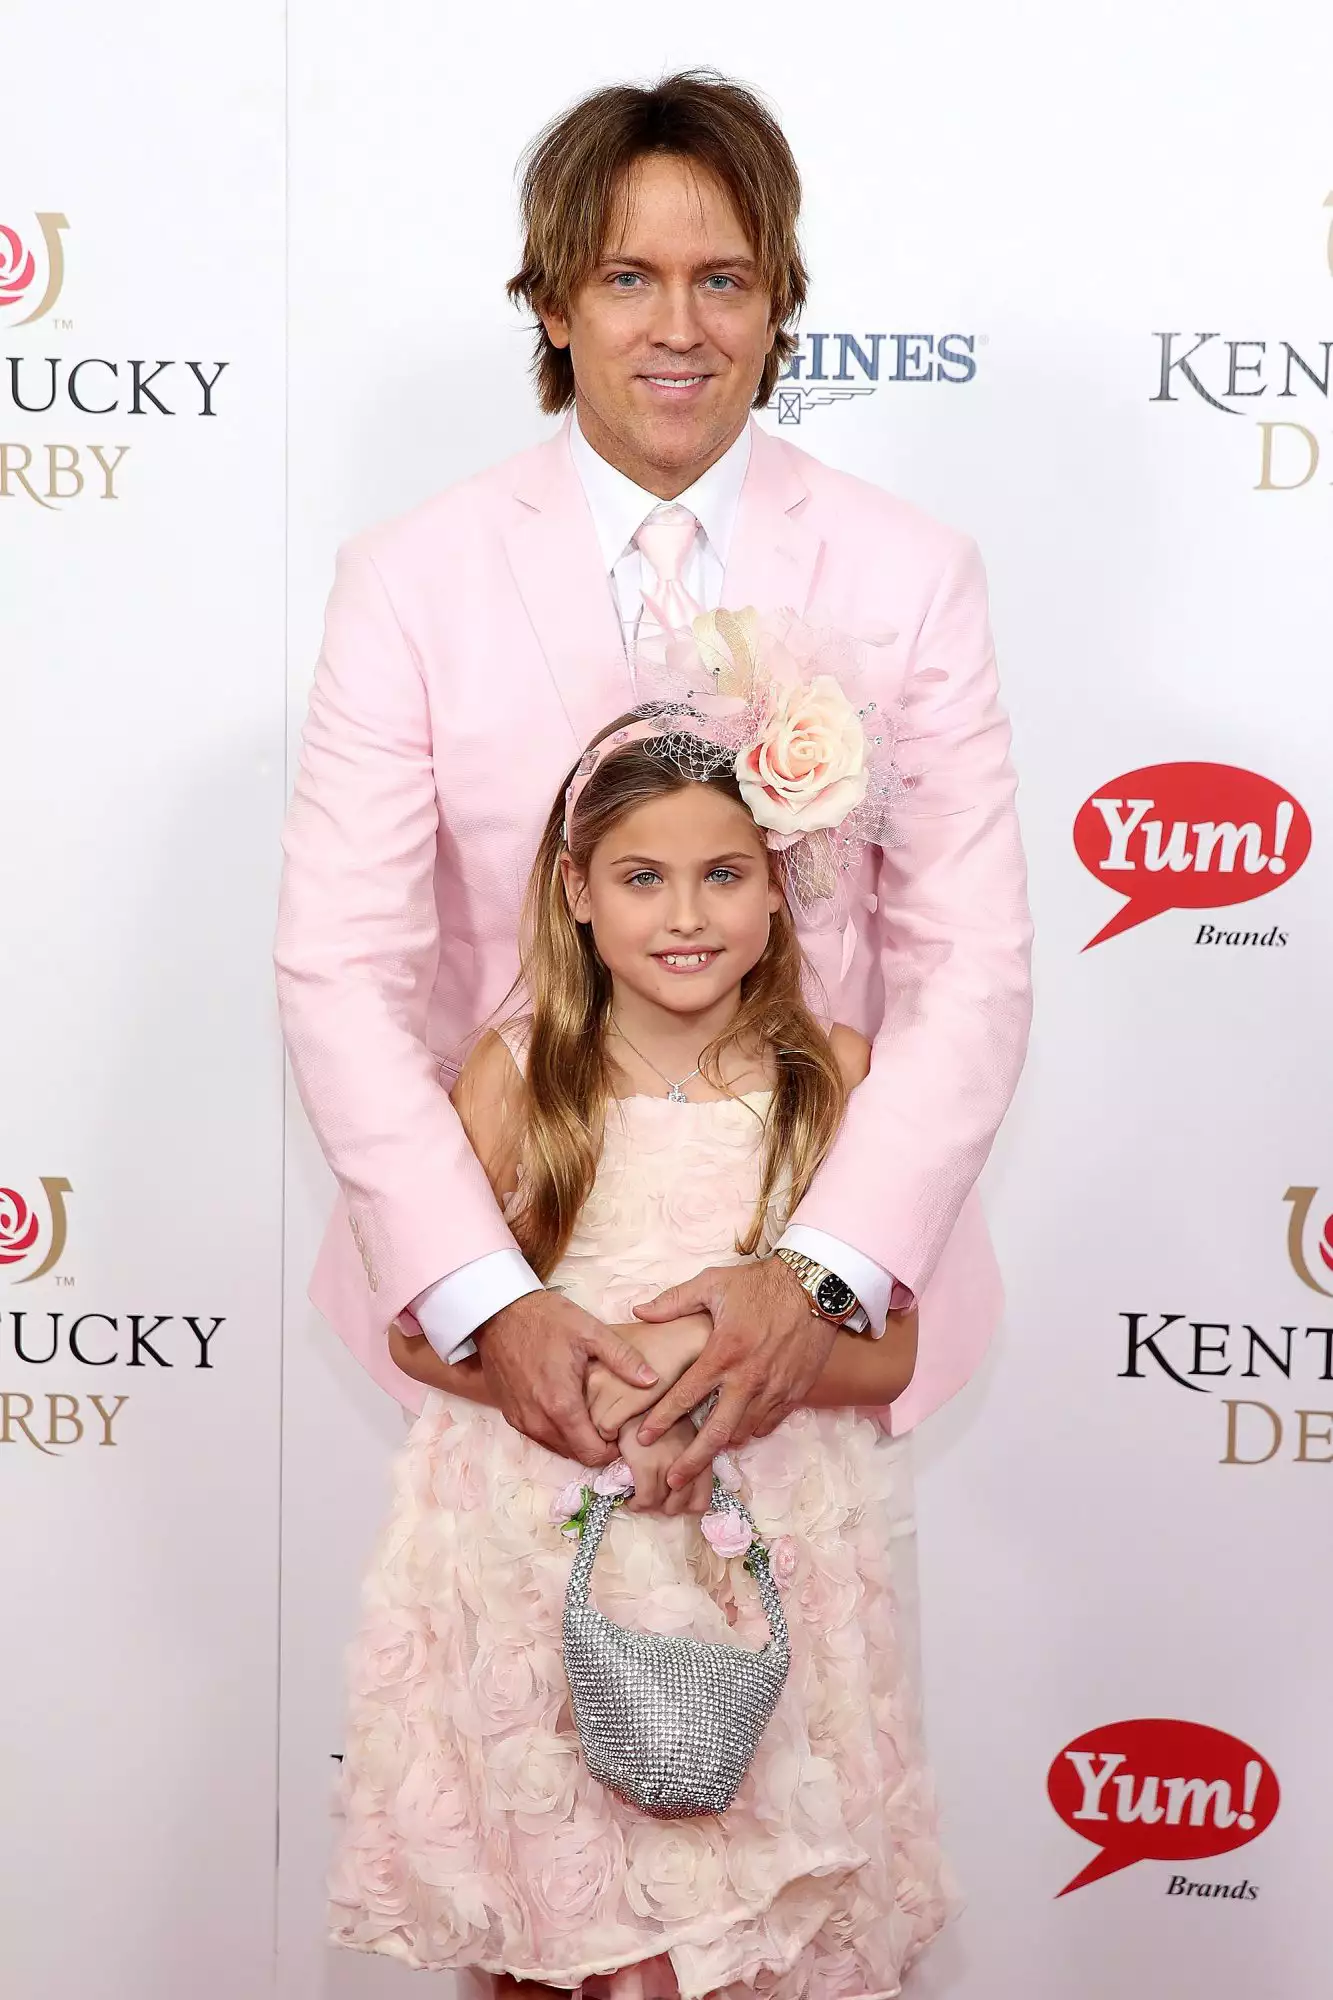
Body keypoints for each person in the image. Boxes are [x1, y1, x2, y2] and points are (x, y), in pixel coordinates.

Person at [274, 69, 1031, 1490]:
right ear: (556, 304)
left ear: (776, 302)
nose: (679, 329)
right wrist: (487, 1298)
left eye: (724, 279)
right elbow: (339, 970)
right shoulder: (409, 579)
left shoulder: (911, 574)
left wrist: (816, 1280)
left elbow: (970, 967)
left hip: (815, 1336)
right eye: (629, 277)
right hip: (513, 1311)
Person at [328, 701, 950, 1998]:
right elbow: (422, 1330)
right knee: (561, 1943)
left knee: (740, 1946)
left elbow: (889, 1357)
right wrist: (588, 1383)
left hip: (761, 1552)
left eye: (723, 875)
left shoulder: (833, 1076)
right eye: (642, 877)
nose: (684, 915)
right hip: (549, 1550)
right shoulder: (515, 1075)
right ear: (575, 891)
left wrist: (723, 1392)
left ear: (779, 890)